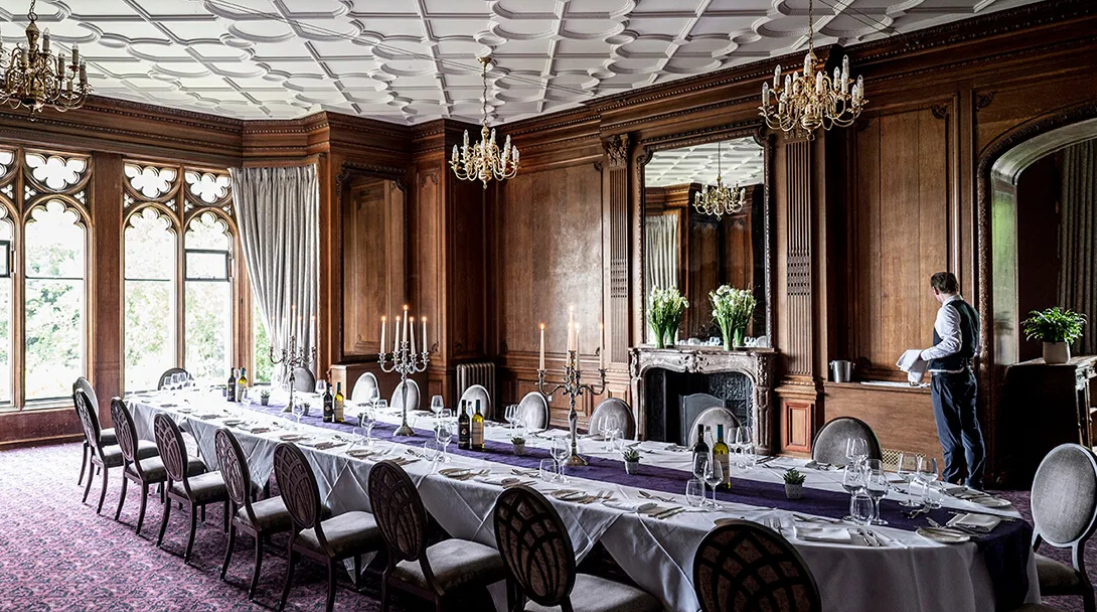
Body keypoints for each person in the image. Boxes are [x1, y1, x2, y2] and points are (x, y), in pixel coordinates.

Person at [919, 272, 985, 489]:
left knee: (949, 434)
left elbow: (953, 344)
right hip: (967, 375)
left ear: (935, 291)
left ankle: (950, 483)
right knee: (970, 430)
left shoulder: (947, 310)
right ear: (956, 286)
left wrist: (923, 354)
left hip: (946, 378)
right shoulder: (971, 310)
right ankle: (974, 483)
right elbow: (975, 347)